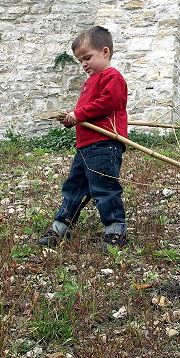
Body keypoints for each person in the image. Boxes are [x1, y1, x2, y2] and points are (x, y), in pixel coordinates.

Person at [39, 26, 129, 251]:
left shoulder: (112, 77)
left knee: (104, 187)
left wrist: (78, 115)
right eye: (80, 61)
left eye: (87, 58)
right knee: (74, 187)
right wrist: (73, 119)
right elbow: (89, 111)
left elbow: (107, 103)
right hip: (85, 146)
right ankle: (61, 227)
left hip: (105, 144)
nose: (84, 64)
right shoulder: (90, 81)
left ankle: (115, 230)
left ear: (105, 52)